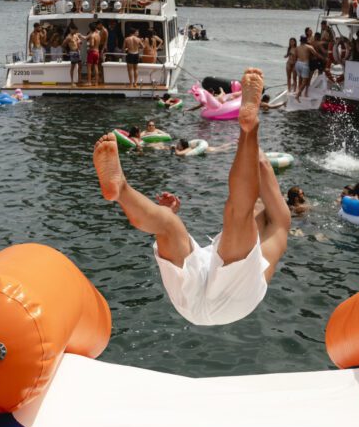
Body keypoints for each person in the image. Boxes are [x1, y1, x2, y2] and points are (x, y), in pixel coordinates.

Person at [93, 68, 290, 326]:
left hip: (235, 295)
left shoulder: (275, 225)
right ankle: (121, 190)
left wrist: (248, 131)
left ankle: (249, 128)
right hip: (205, 292)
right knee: (168, 224)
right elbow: (260, 172)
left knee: (237, 214)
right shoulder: (277, 228)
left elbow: (262, 165)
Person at [294, 35, 321, 102]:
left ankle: (299, 93)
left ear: (300, 41)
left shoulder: (297, 48)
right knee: (305, 81)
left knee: (300, 79)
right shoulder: (309, 47)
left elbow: (295, 56)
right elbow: (316, 54)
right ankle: (298, 95)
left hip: (297, 63)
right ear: (306, 41)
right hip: (304, 64)